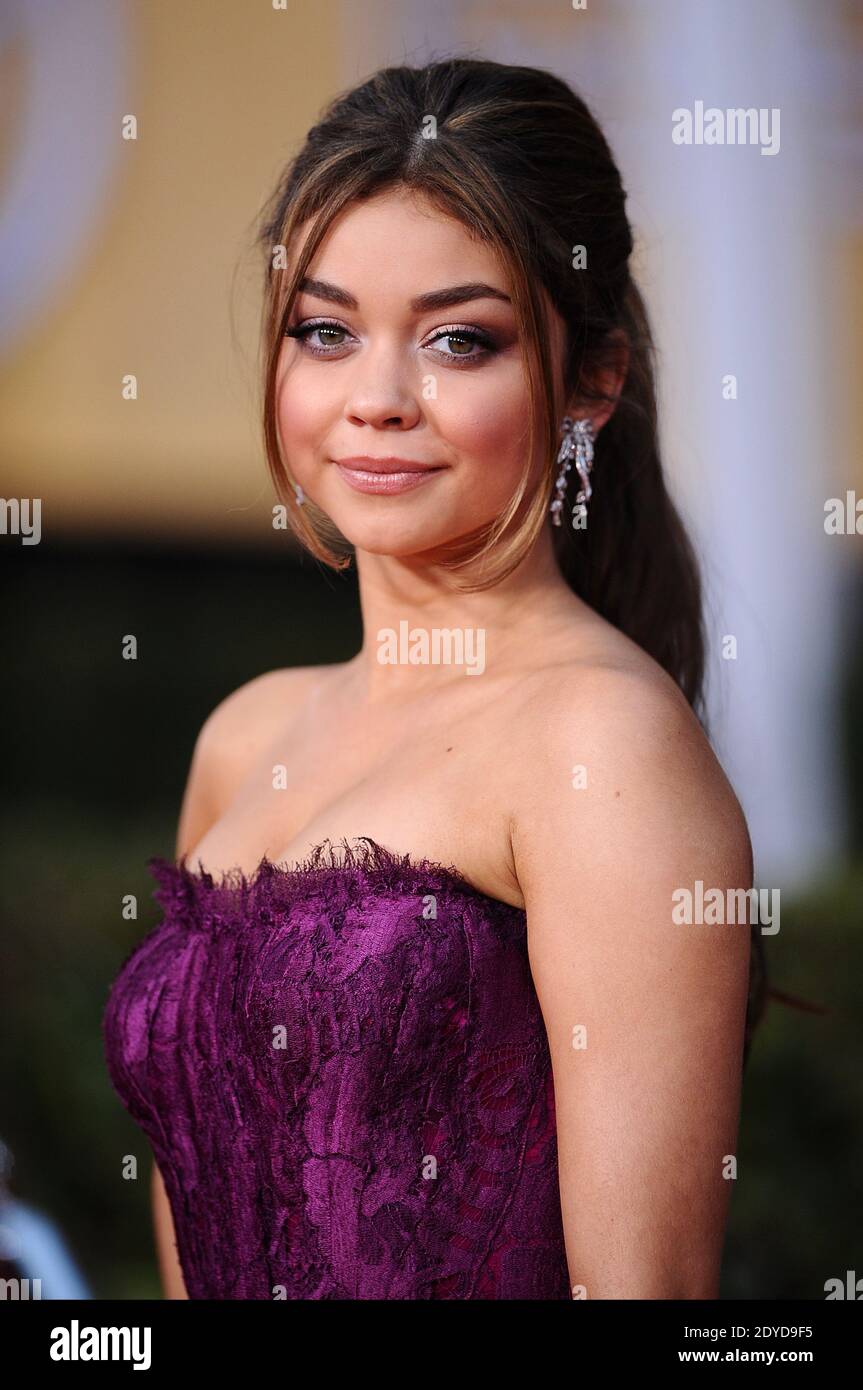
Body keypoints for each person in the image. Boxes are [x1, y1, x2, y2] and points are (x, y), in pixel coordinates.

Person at [103, 57, 759, 1300]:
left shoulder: (602, 745)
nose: (377, 400)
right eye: (325, 330)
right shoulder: (247, 738)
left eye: (459, 339)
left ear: (590, 379)